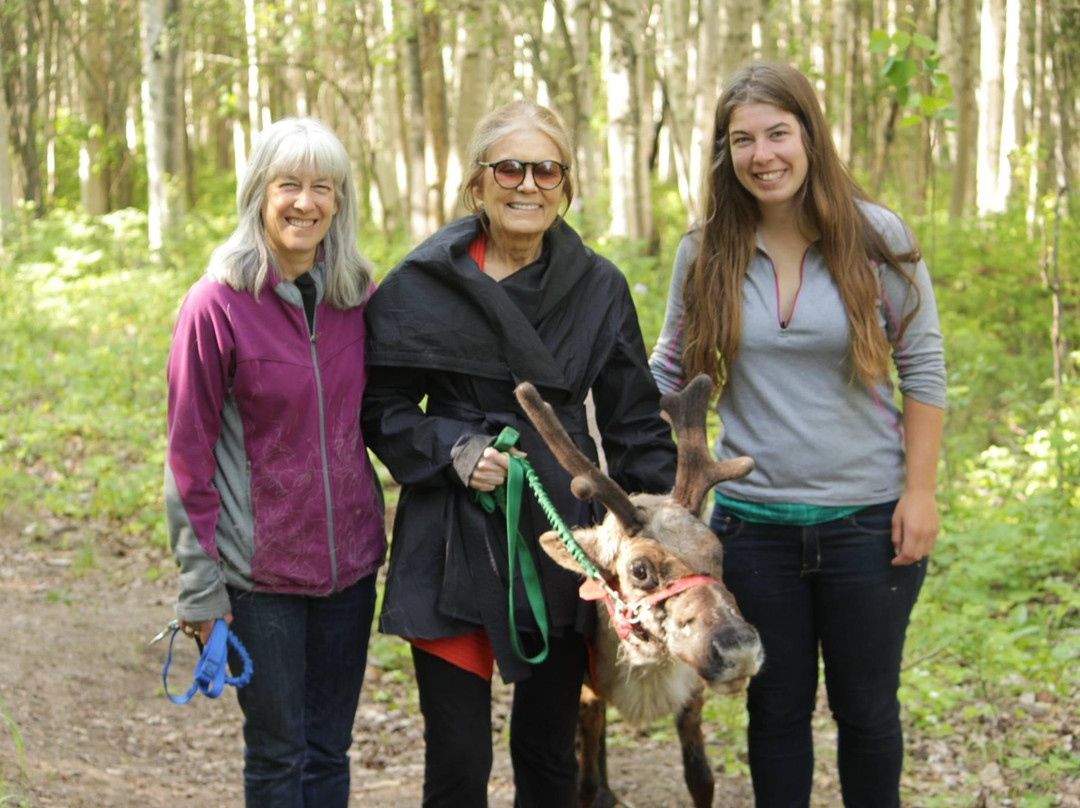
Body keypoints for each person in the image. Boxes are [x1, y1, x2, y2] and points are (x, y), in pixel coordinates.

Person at [361, 99, 677, 808]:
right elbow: (379, 409)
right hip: (451, 535)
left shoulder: (599, 286)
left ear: (567, 184)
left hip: (563, 536)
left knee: (549, 751)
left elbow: (635, 425)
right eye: (509, 167)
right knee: (456, 760)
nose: (526, 184)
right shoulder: (419, 283)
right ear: (478, 183)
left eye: (545, 169)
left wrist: (651, 539)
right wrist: (452, 446)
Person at [650, 62, 946, 808]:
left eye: (778, 133)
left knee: (868, 711)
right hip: (755, 532)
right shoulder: (706, 251)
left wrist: (920, 491)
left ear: (810, 136)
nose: (763, 155)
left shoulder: (876, 240)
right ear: (726, 154)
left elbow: (924, 369)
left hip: (869, 525)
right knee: (775, 710)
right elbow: (665, 372)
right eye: (742, 139)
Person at [164, 117, 386, 807]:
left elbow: (391, 412)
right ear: (260, 192)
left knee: (329, 753)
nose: (305, 202)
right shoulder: (215, 306)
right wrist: (202, 591)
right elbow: (186, 459)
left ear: (339, 202)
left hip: (349, 570)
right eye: (289, 184)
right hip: (259, 579)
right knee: (278, 756)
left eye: (323, 187)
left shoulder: (359, 298)